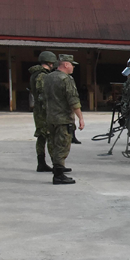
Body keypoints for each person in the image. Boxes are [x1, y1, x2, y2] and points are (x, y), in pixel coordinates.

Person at [42, 54, 84, 185]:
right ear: (66, 64)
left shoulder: (48, 78)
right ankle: (58, 175)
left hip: (50, 117)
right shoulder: (66, 79)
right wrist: (80, 118)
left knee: (54, 144)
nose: (73, 67)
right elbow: (73, 100)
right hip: (63, 118)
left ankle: (58, 169)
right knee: (63, 146)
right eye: (72, 65)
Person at [29, 50, 57, 172]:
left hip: (39, 110)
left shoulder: (35, 74)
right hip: (43, 111)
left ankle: (41, 163)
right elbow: (42, 94)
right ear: (50, 62)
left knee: (41, 137)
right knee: (49, 136)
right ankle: (56, 164)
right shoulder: (42, 75)